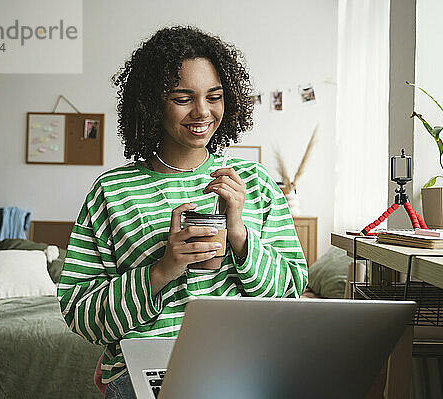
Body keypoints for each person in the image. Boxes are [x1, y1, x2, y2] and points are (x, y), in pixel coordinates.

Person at [57, 26, 308, 398]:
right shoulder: (111, 192)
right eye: (183, 97)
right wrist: (162, 270)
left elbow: (291, 290)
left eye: (214, 96)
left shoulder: (253, 181)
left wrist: (239, 237)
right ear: (151, 102)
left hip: (240, 365)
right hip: (142, 372)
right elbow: (80, 312)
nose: (202, 111)